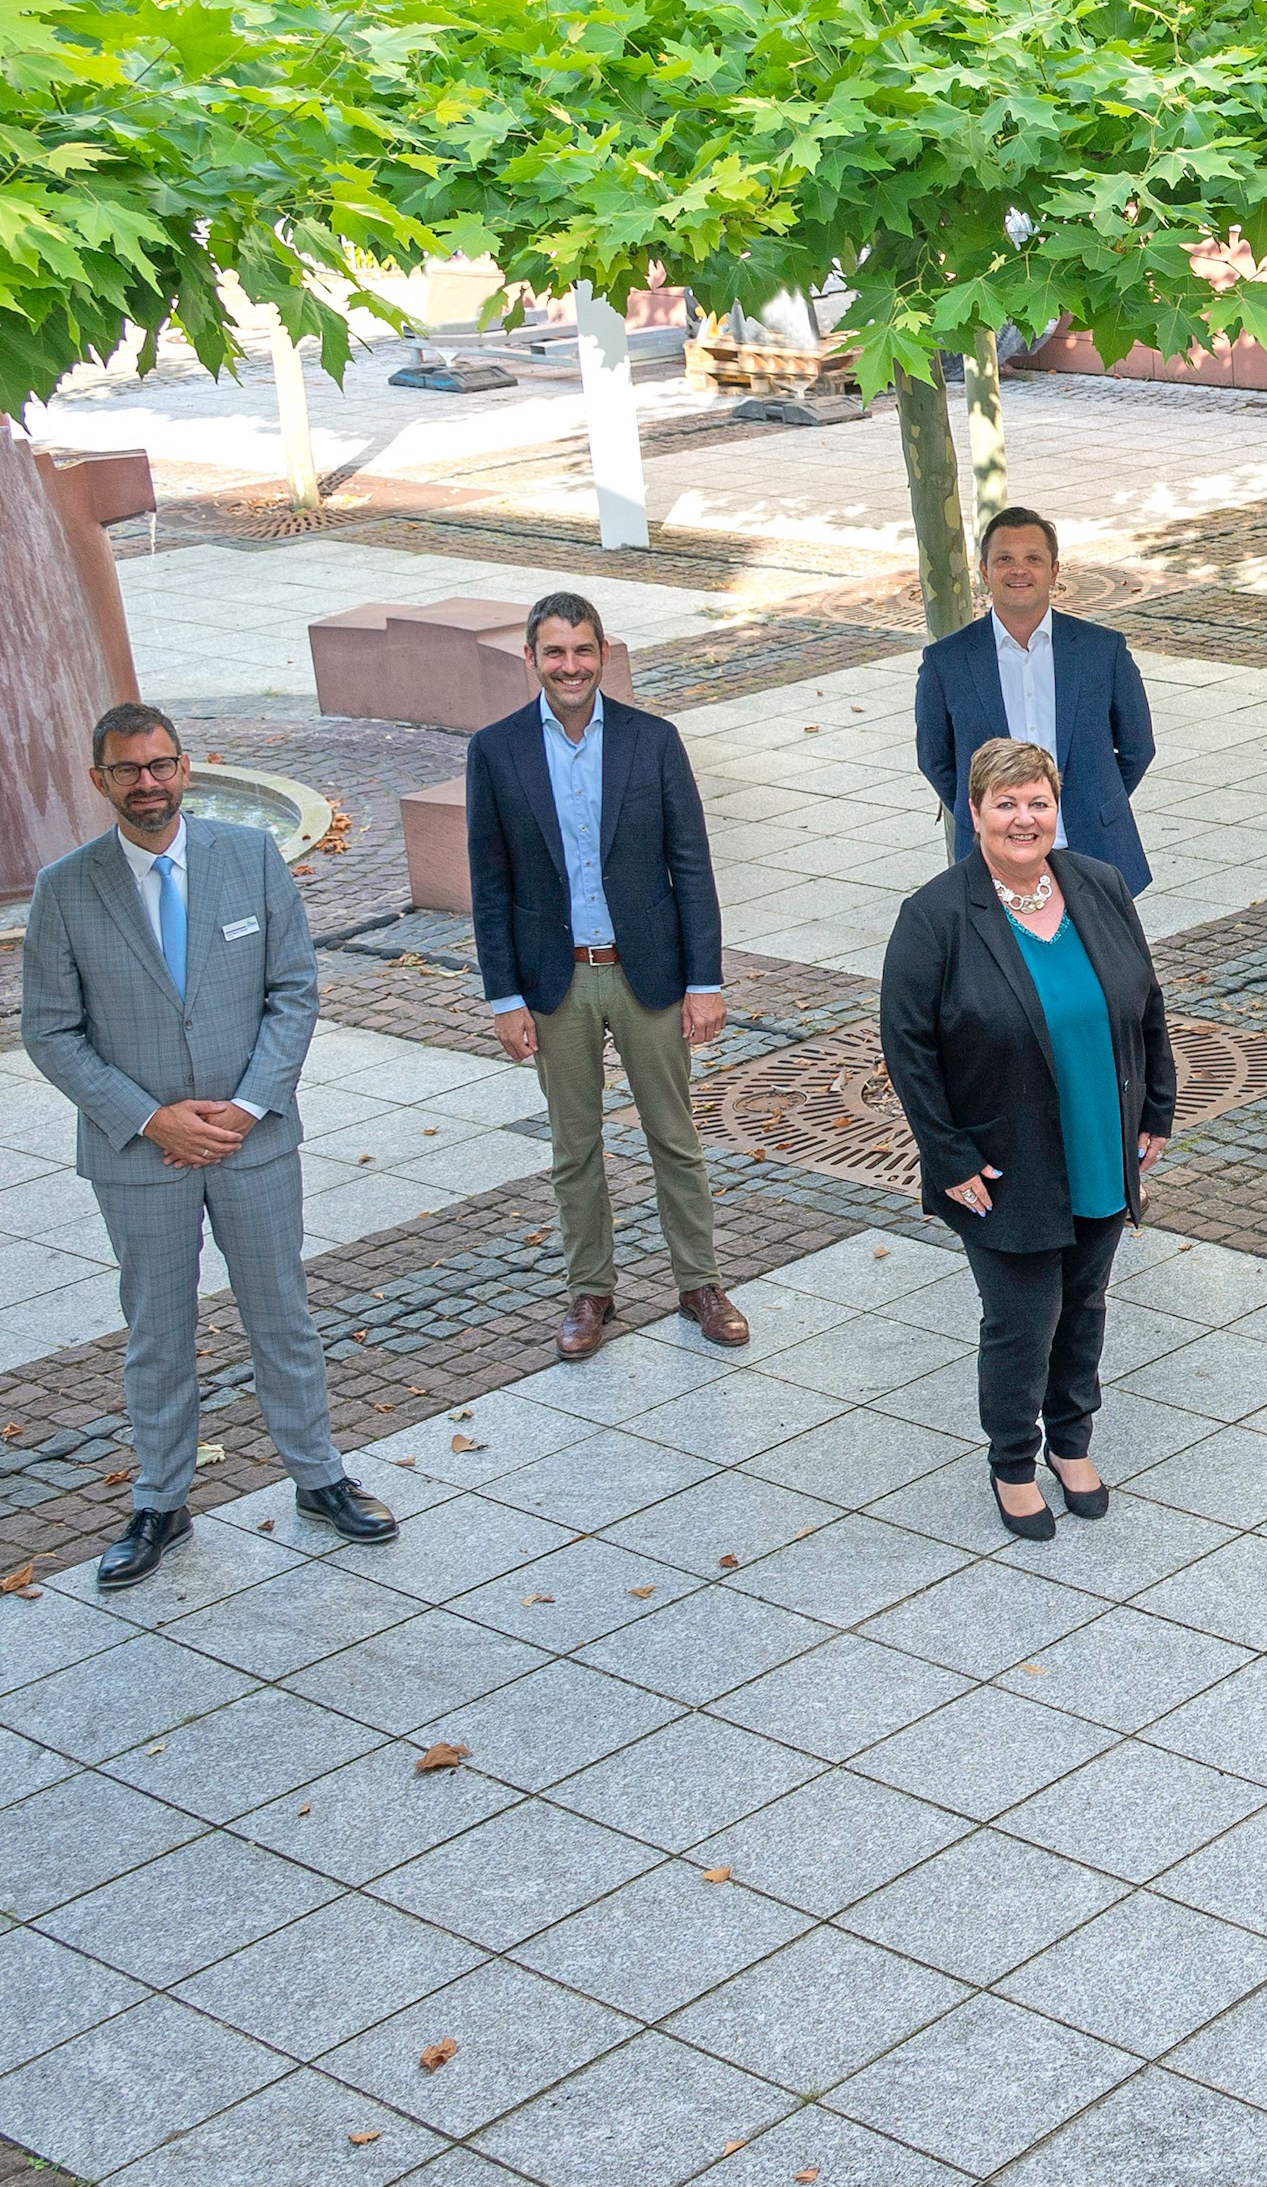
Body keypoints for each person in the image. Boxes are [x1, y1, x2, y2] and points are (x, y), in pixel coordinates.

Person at [22, 705, 395, 1588]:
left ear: (185, 768)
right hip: (138, 1154)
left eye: (161, 766)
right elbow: (51, 1031)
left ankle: (318, 1477)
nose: (147, 784)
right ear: (99, 781)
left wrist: (250, 1104)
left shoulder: (251, 858)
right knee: (158, 1329)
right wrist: (153, 1119)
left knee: (282, 1314)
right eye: (127, 771)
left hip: (252, 1142)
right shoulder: (65, 890)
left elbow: (294, 992)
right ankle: (160, 1502)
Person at [882, 740, 1179, 1542]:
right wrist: (946, 1156)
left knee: (1083, 1301)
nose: (1024, 818)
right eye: (1005, 803)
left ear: (1057, 809)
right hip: (1002, 1160)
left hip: (1099, 1140)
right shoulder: (936, 915)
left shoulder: (1100, 886)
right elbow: (906, 1047)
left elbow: (1144, 1004)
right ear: (974, 814)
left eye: (1037, 802)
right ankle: (1013, 1460)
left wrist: (1157, 1109)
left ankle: (1072, 1443)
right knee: (1022, 1317)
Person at [465, 592, 748, 1359]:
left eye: (582, 651)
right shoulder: (495, 752)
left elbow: (690, 865)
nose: (569, 666)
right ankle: (589, 1292)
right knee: (574, 1146)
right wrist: (504, 996)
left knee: (674, 1135)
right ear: (531, 660)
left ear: (602, 655)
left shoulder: (653, 742)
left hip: (647, 973)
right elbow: (489, 884)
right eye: (554, 653)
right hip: (555, 981)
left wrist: (705, 980)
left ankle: (700, 1283)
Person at [915, 506, 1159, 893]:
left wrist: (1089, 803)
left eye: (1033, 558)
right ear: (984, 571)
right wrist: (995, 813)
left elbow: (1137, 747)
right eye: (1004, 559)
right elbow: (936, 759)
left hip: (1094, 853)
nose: (1018, 570)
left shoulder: (1102, 651)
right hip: (992, 860)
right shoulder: (947, 661)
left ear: (1054, 571)